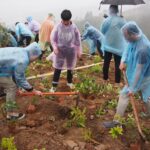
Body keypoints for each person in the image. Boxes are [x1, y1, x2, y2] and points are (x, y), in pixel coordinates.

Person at [103, 22, 150, 128]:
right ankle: (148, 113)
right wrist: (123, 61)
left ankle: (116, 122)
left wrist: (132, 88)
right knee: (145, 95)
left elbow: (139, 71)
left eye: (125, 36)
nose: (125, 39)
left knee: (124, 95)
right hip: (140, 73)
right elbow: (128, 47)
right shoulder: (135, 38)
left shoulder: (143, 49)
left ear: (132, 34)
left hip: (144, 76)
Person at [0, 42, 42, 120]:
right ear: (34, 54)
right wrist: (33, 91)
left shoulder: (21, 50)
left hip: (2, 67)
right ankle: (11, 114)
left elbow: (14, 72)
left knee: (9, 82)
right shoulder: (23, 60)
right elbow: (20, 78)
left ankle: (1, 92)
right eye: (36, 58)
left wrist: (19, 88)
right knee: (11, 87)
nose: (34, 60)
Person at [50, 9, 82, 92]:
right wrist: (55, 48)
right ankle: (54, 86)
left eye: (67, 21)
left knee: (70, 67)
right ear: (62, 19)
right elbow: (53, 39)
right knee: (58, 68)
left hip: (71, 50)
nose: (65, 23)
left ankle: (69, 82)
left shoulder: (74, 27)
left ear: (70, 19)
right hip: (60, 50)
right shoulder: (57, 27)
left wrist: (78, 51)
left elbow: (78, 39)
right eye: (64, 21)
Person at [100, 5, 127, 83]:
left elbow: (102, 31)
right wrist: (123, 19)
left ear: (110, 10)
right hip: (118, 47)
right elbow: (126, 29)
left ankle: (105, 78)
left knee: (106, 62)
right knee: (117, 64)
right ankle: (117, 82)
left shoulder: (107, 20)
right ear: (117, 10)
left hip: (108, 45)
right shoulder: (122, 20)